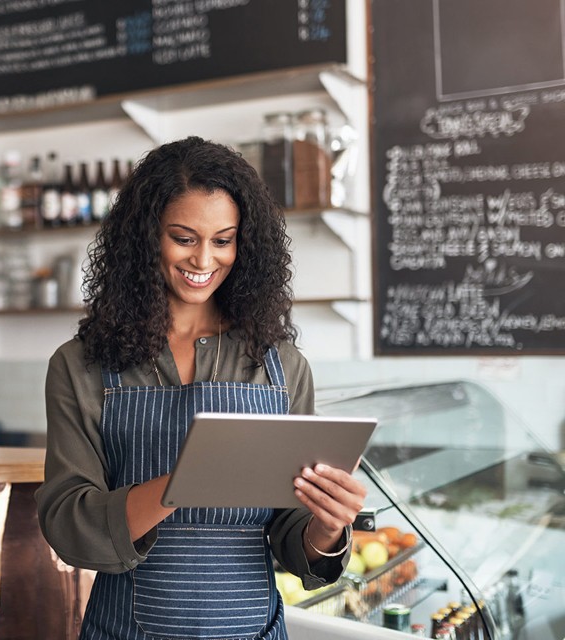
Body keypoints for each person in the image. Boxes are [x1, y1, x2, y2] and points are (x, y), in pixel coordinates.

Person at [36, 137, 365, 639]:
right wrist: (181, 483)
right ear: (146, 238)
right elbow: (68, 524)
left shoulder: (282, 366)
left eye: (223, 240)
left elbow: (289, 537)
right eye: (184, 237)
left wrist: (327, 525)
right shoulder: (81, 366)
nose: (204, 259)